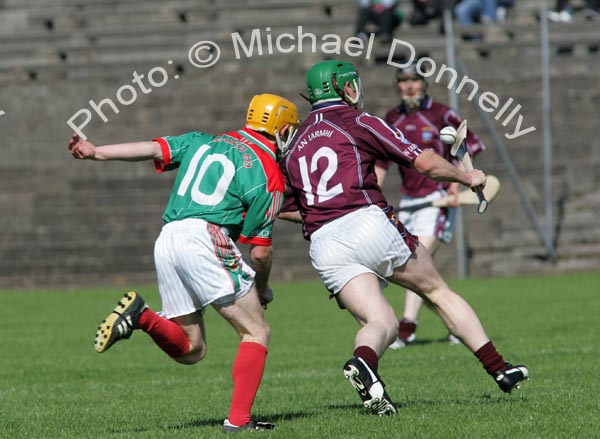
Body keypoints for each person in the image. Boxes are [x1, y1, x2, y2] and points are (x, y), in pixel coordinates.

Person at [279, 60, 528, 415]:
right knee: (436, 290)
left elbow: (287, 207)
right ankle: (500, 369)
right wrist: (466, 178)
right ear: (342, 87)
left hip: (323, 240)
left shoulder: (296, 140)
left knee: (380, 322)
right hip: (366, 221)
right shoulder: (360, 121)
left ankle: (365, 364)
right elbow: (422, 162)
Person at [68, 93, 299, 433]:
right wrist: (261, 289)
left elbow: (151, 148)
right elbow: (261, 253)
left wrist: (96, 151)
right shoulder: (267, 171)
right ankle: (238, 422)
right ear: (280, 129)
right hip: (207, 238)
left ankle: (142, 316)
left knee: (191, 349)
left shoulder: (203, 141)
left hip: (168, 238)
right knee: (256, 330)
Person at [375, 64, 485, 350]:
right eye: (403, 80)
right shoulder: (392, 118)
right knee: (421, 272)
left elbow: (465, 148)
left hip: (438, 200)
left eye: (414, 80)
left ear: (424, 84)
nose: (409, 86)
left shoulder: (442, 114)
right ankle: (459, 323)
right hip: (410, 201)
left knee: (416, 257)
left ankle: (407, 328)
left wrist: (456, 184)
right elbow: (381, 165)